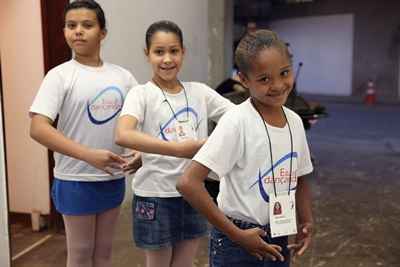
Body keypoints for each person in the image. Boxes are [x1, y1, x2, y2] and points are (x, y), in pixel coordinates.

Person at [177, 29, 314, 267]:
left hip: (279, 231)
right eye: (264, 79)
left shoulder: (294, 121)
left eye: (284, 73)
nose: (278, 85)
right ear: (243, 79)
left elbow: (300, 176)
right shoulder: (237, 121)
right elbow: (188, 183)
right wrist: (236, 234)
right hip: (237, 240)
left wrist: (306, 219)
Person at [114, 20, 234, 267]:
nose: (167, 59)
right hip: (155, 196)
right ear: (147, 54)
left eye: (174, 51)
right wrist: (178, 149)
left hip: (193, 193)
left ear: (183, 52)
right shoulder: (141, 94)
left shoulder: (199, 92)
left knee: (184, 263)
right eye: (159, 52)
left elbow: (237, 119)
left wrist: (210, 147)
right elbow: (123, 134)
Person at [29, 1, 138, 266]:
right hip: (74, 179)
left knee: (103, 253)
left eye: (87, 25)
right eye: (71, 25)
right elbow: (38, 128)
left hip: (112, 177)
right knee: (79, 254)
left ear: (102, 32)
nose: (78, 31)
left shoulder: (122, 77)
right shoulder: (60, 76)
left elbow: (138, 122)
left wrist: (139, 152)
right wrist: (88, 155)